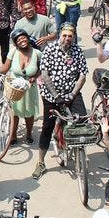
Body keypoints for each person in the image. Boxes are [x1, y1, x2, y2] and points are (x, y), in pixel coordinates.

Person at [31, 24, 88, 179]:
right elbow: (45, 74)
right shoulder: (49, 50)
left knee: (82, 120)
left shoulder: (77, 51)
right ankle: (41, 162)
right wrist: (56, 96)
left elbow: (82, 75)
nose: (67, 39)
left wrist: (72, 94)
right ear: (59, 35)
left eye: (70, 36)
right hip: (51, 95)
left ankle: (78, 150)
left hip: (71, 92)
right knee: (47, 127)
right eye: (64, 35)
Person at [0, 27, 41, 145]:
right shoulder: (13, 52)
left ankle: (29, 133)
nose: (22, 41)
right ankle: (13, 134)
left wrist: (35, 77)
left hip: (29, 87)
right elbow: (6, 67)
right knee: (14, 112)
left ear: (27, 38)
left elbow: (41, 69)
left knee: (29, 112)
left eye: (23, 38)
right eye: (18, 39)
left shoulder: (37, 53)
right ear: (15, 43)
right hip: (14, 86)